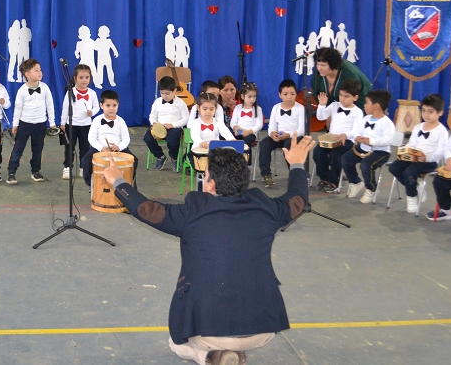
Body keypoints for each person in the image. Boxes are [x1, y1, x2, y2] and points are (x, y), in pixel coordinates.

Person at [101, 135, 314, 365]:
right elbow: (298, 199)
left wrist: (117, 182)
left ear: (210, 183)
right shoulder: (268, 208)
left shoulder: (192, 213)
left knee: (176, 344)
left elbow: (146, 209)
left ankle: (208, 355)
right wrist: (297, 163)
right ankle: (226, 351)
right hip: (262, 331)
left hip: (209, 332)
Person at [388, 93, 447, 213]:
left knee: (409, 172)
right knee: (394, 167)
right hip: (413, 157)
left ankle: (411, 196)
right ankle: (416, 187)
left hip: (428, 161)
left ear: (440, 113)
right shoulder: (418, 127)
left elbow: (441, 151)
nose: (426, 114)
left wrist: (427, 158)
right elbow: (411, 143)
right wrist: (406, 151)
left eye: (430, 112)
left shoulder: (442, 131)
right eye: (424, 111)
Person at [340, 90, 395, 204]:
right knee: (346, 158)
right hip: (364, 149)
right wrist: (357, 136)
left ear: (376, 106)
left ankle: (371, 189)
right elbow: (357, 131)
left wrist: (371, 141)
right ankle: (355, 182)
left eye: (367, 103)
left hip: (380, 152)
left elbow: (389, 140)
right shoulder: (366, 119)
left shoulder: (386, 122)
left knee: (366, 164)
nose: (364, 105)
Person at [8, 58, 55, 184]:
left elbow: (50, 105)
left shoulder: (45, 88)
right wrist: (15, 124)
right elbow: (17, 108)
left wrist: (52, 123)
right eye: (36, 70)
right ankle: (11, 172)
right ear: (27, 74)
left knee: (38, 149)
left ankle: (35, 171)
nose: (40, 72)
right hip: (24, 124)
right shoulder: (22, 90)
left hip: (40, 124)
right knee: (18, 148)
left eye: (40, 70)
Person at [312, 79, 363, 192]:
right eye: (341, 95)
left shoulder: (357, 112)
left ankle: (334, 181)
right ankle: (324, 178)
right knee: (318, 152)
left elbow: (357, 131)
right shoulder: (335, 105)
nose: (342, 99)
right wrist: (322, 105)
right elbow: (321, 117)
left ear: (355, 97)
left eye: (346, 96)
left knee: (336, 154)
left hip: (347, 141)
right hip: (331, 139)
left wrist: (345, 134)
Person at [82, 90, 136, 188]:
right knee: (86, 160)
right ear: (101, 105)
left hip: (118, 148)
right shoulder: (97, 120)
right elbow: (91, 138)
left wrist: (119, 147)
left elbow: (126, 139)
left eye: (114, 105)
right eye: (108, 105)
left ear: (118, 105)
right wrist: (101, 148)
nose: (111, 108)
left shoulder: (121, 121)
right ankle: (91, 184)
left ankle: (130, 184)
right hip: (100, 148)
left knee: (134, 159)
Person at [258, 79, 305, 187]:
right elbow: (272, 126)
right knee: (264, 143)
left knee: (289, 145)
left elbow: (302, 129)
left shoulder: (300, 108)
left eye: (292, 94)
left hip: (294, 137)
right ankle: (266, 175)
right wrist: (272, 134)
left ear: (296, 95)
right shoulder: (276, 107)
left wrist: (289, 135)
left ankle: (294, 174)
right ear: (280, 95)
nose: (289, 97)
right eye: (285, 94)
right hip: (279, 136)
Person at [58, 63, 98, 179]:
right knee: (69, 147)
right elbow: (65, 108)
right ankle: (67, 168)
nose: (84, 80)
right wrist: (62, 123)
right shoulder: (71, 92)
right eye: (81, 78)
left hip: (86, 125)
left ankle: (83, 168)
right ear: (75, 78)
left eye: (87, 77)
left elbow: (97, 107)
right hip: (71, 125)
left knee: (85, 148)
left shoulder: (92, 93)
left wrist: (92, 112)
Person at [144, 75, 189, 170]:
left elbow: (185, 119)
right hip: (159, 126)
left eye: (167, 93)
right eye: (162, 93)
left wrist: (173, 125)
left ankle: (174, 157)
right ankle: (160, 156)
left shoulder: (180, 103)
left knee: (172, 140)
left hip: (174, 128)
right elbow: (152, 115)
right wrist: (154, 123)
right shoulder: (157, 101)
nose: (165, 96)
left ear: (174, 91)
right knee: (147, 138)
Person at [230, 82, 263, 155]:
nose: (252, 99)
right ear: (242, 96)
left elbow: (259, 125)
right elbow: (233, 122)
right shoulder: (237, 108)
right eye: (249, 96)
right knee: (230, 140)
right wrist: (236, 127)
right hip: (239, 132)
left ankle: (247, 164)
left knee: (245, 143)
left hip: (250, 134)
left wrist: (250, 131)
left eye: (254, 96)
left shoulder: (257, 109)